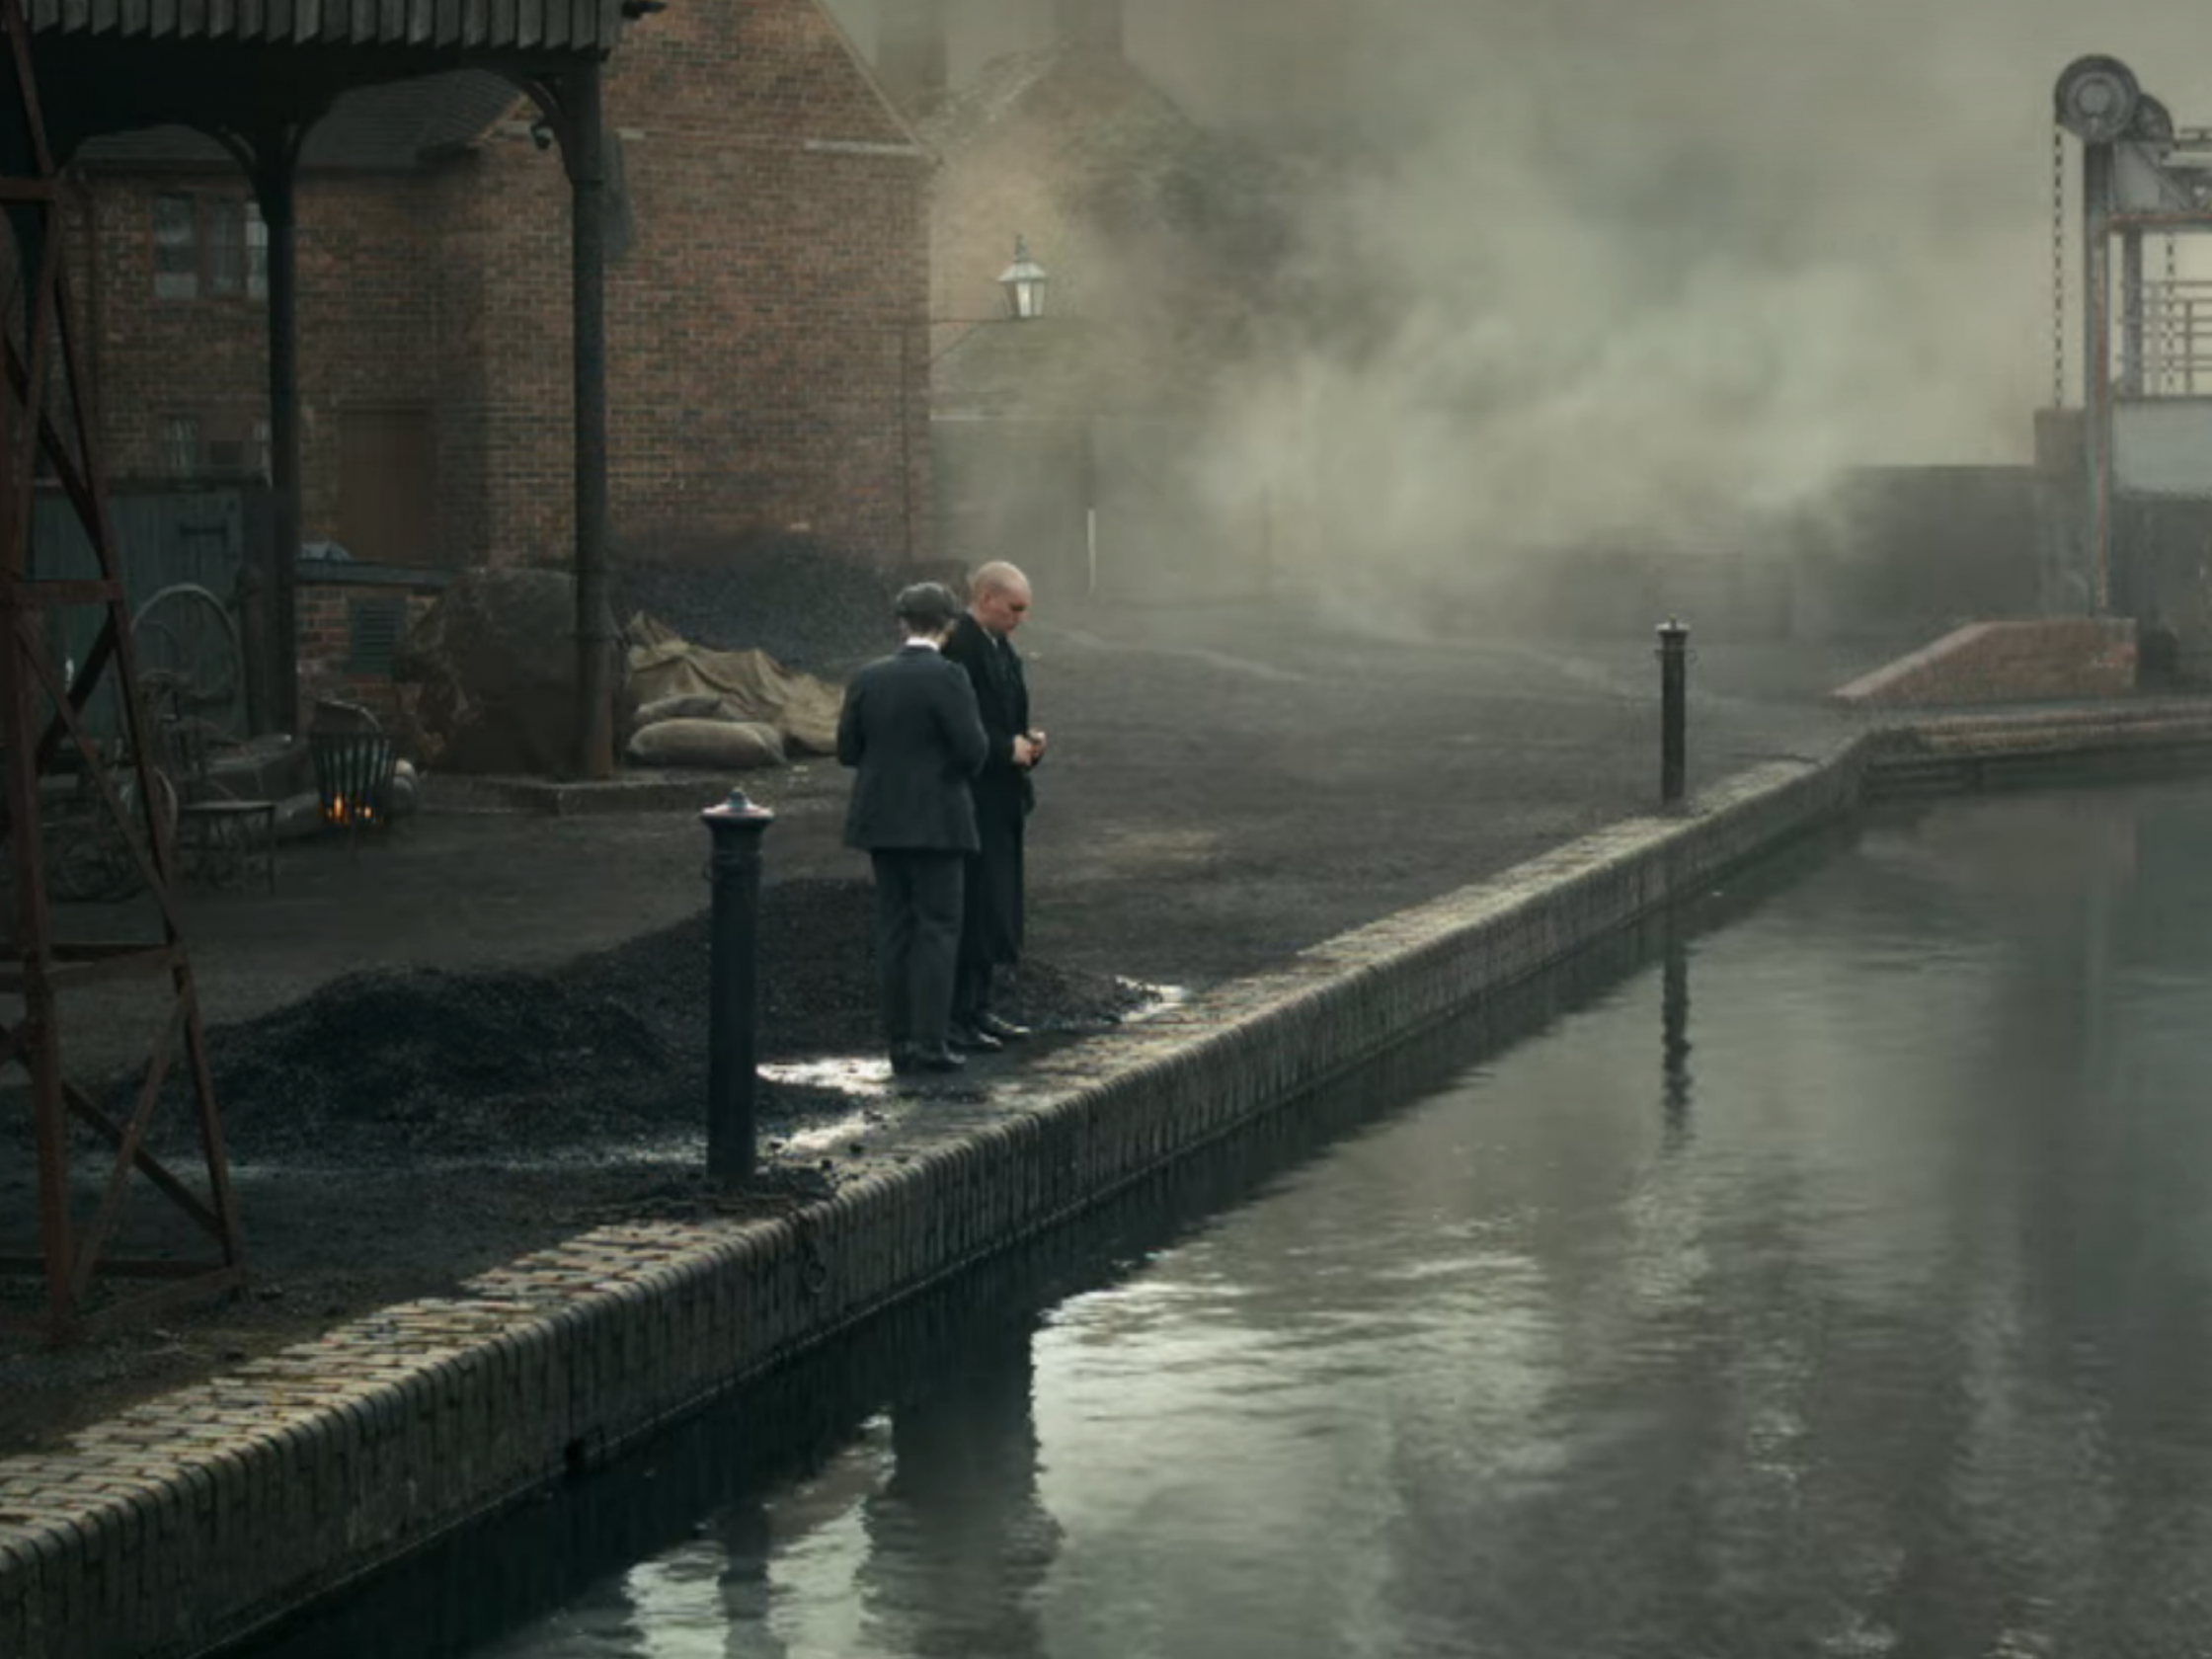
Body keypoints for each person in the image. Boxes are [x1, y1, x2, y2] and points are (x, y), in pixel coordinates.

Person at [837, 582, 989, 1075]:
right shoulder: (950, 678)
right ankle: (930, 1042)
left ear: (901, 623)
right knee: (938, 929)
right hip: (939, 822)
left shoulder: (868, 676)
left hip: (880, 821)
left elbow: (847, 751)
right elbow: (973, 750)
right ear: (947, 626)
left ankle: (899, 1042)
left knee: (895, 929)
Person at [941, 561, 1044, 1053]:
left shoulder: (999, 646)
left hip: (1001, 797)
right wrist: (1007, 749)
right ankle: (959, 1015)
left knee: (996, 905)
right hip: (975, 799)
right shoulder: (960, 648)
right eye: (1014, 608)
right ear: (986, 599)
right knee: (975, 905)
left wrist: (1026, 745)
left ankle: (980, 1008)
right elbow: (963, 726)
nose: (1020, 618)